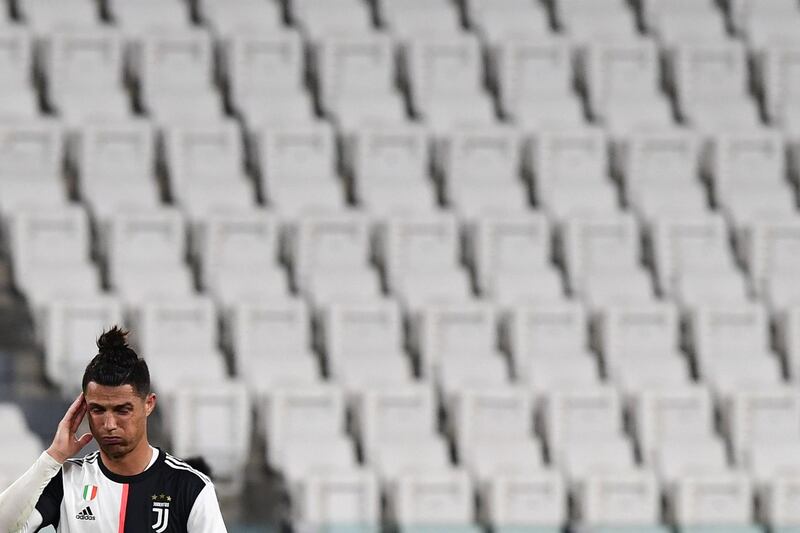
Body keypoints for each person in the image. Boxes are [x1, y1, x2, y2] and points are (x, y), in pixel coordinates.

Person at [0, 326, 228, 532]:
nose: (109, 425)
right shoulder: (66, 481)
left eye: (122, 410)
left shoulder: (190, 487)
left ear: (148, 404)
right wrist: (53, 457)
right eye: (98, 410)